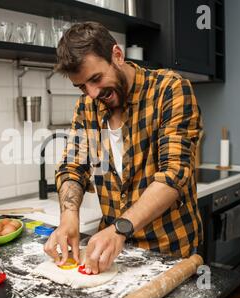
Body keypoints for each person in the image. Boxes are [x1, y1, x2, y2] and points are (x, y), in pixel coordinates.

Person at [43, 22, 203, 275]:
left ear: (117, 55)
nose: (92, 93)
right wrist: (69, 216)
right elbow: (73, 166)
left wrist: (120, 229)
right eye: (82, 86)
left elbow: (174, 175)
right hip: (109, 253)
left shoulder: (170, 90)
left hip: (169, 250)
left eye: (96, 78)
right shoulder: (87, 107)